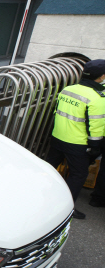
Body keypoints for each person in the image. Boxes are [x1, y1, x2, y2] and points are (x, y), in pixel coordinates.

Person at [45, 60, 105, 219]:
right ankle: (66, 209)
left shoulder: (68, 89)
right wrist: (95, 147)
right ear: (101, 77)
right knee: (78, 175)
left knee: (49, 168)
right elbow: (96, 127)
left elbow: (57, 112)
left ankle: (39, 197)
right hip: (78, 144)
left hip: (58, 137)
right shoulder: (98, 98)